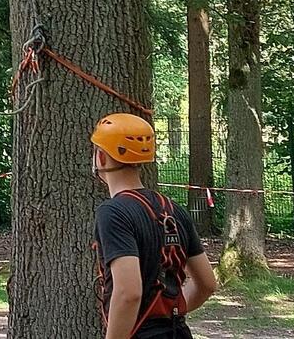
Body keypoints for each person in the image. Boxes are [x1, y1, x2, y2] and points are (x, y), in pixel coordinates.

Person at [92, 113, 218, 339]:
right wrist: (169, 315)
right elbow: (206, 284)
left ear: (101, 157)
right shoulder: (173, 209)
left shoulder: (112, 213)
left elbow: (129, 293)